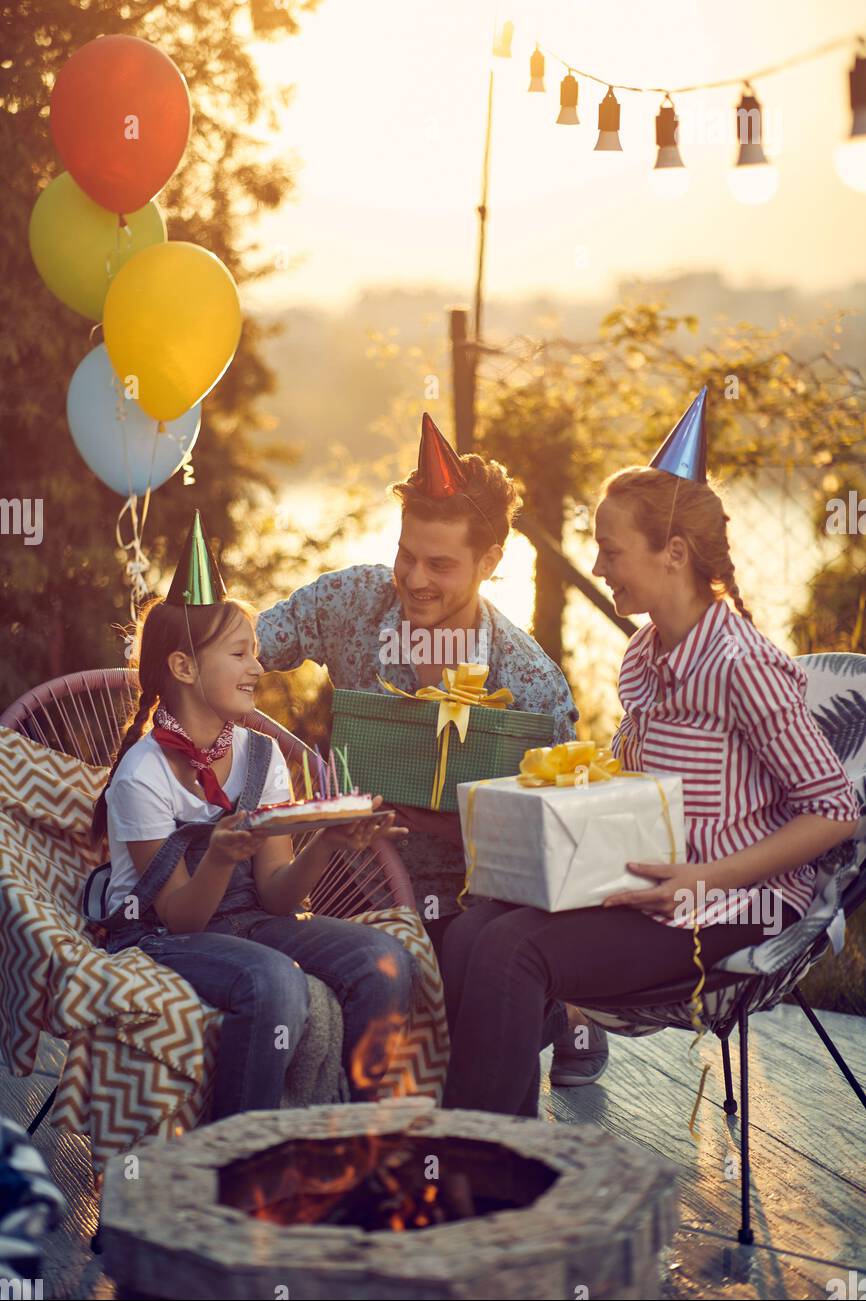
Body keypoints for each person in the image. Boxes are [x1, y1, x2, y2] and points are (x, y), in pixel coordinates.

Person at [440, 387, 862, 1117]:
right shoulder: (645, 653)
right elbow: (633, 787)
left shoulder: (740, 663)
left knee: (516, 952)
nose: (600, 566)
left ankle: (495, 1177)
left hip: (729, 904)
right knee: (472, 925)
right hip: (646, 887)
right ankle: (458, 1142)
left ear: (673, 554)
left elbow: (834, 812)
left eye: (611, 549)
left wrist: (702, 876)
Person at [257, 413, 599, 1081]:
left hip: (470, 911)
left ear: (490, 562)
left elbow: (563, 849)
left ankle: (556, 1014)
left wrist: (439, 823)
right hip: (346, 887)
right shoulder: (349, 600)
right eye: (406, 553)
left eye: (440, 564)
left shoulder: (532, 687)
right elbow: (241, 647)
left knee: (460, 1024)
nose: (414, 577)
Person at [91, 511, 414, 1119]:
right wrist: (217, 855)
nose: (258, 668)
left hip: (247, 922)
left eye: (256, 653)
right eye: (240, 653)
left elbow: (272, 897)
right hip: (158, 937)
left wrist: (325, 840)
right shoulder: (143, 775)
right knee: (273, 983)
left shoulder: (261, 755)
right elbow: (182, 921)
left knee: (384, 962)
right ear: (184, 668)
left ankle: (354, 1143)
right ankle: (240, 1161)